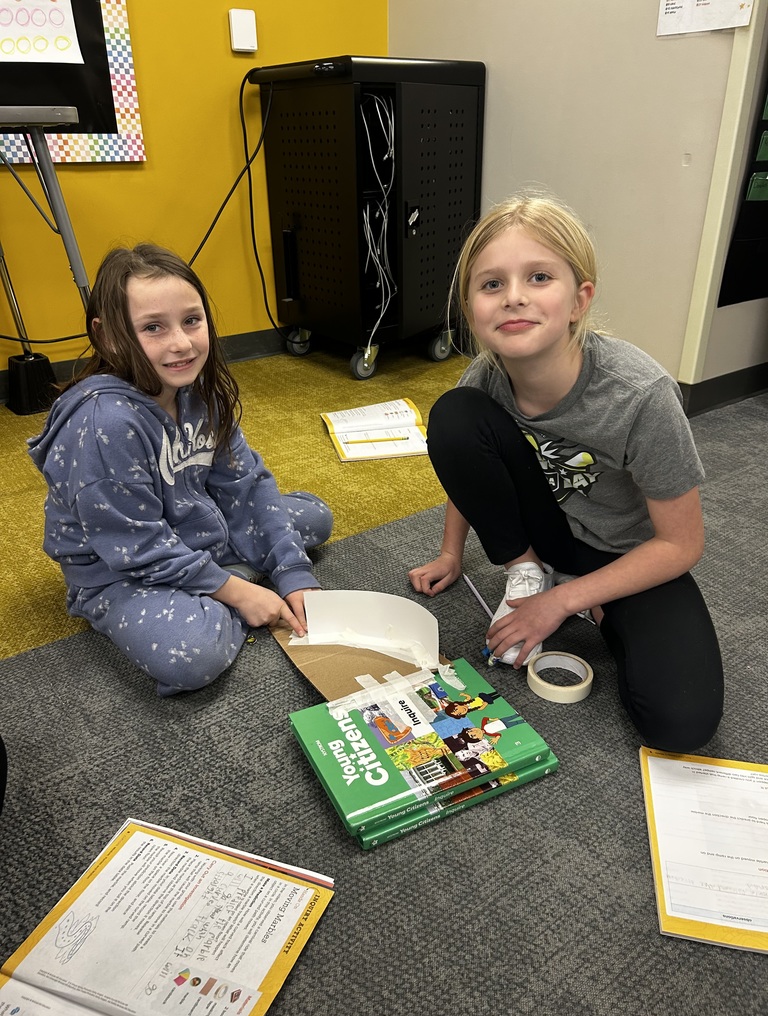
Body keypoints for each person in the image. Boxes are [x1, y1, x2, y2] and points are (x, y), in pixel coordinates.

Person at [409, 194, 723, 753]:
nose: (514, 298)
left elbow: (681, 544)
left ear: (580, 299)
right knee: (453, 416)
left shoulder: (640, 395)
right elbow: (468, 470)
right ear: (471, 308)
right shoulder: (483, 379)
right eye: (491, 285)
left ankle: (584, 595)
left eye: (538, 277)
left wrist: (564, 603)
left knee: (680, 724)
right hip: (545, 534)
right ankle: (529, 570)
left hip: (630, 552)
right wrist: (451, 553)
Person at [28, 244, 333, 696]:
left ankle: (221, 571)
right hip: (119, 569)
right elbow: (136, 546)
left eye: (192, 320)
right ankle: (227, 577)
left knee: (314, 517)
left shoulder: (200, 389)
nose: (182, 344)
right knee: (193, 654)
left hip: (193, 527)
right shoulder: (104, 423)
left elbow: (246, 485)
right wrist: (238, 592)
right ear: (109, 336)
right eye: (153, 327)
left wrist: (293, 575)